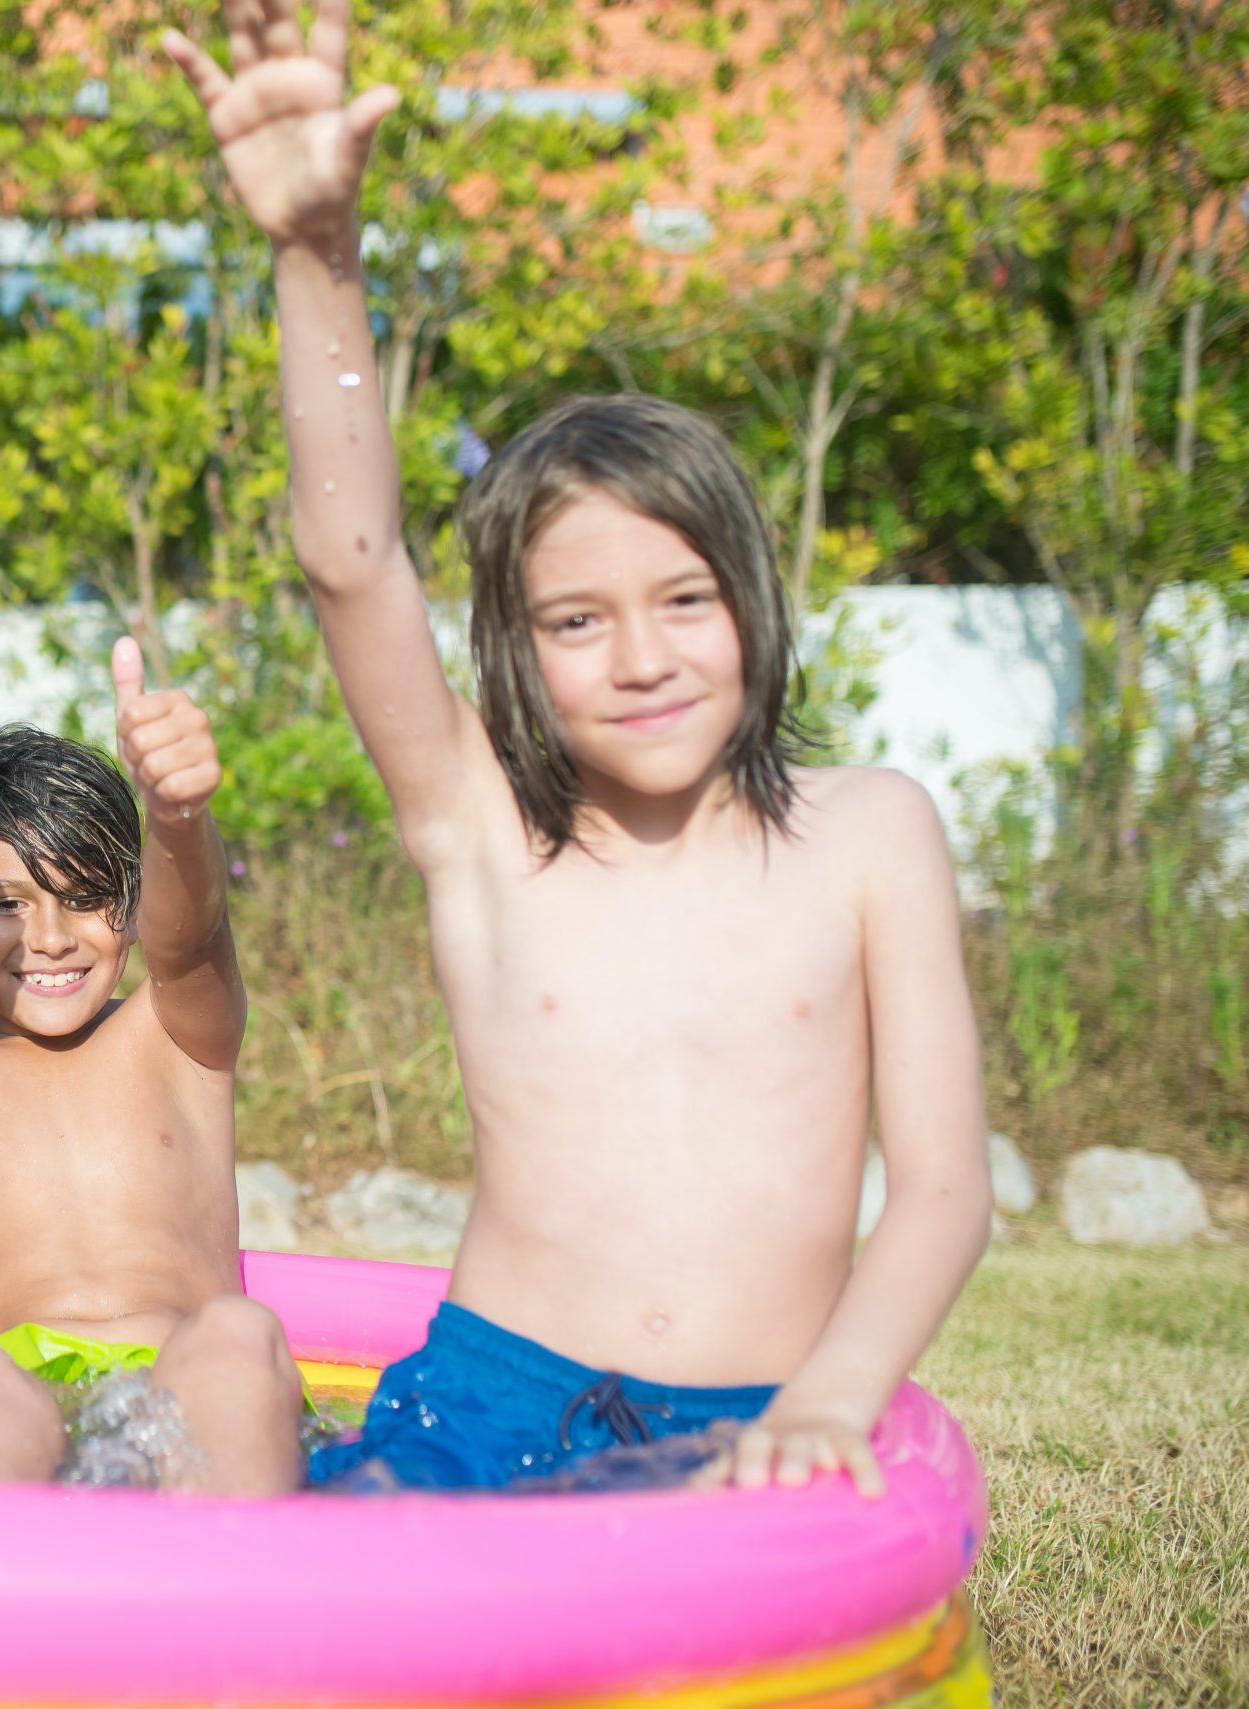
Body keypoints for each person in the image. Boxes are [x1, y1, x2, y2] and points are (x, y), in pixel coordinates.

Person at [166, 0, 992, 1495]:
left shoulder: (871, 833)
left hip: (757, 1404)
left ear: (750, 597)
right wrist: (316, 255)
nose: (642, 659)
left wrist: (828, 1402)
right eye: (575, 622)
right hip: (482, 1408)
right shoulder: (481, 827)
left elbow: (941, 1190)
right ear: (515, 654)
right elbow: (353, 559)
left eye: (684, 600)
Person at [0, 622, 306, 1492]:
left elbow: (191, 939)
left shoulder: (176, 1037)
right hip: (0, 1402)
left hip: (180, 1386)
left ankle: (240, 1607)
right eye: (6, 903)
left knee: (241, 1336)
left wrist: (178, 814)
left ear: (134, 903)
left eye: (86, 899)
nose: (48, 939)